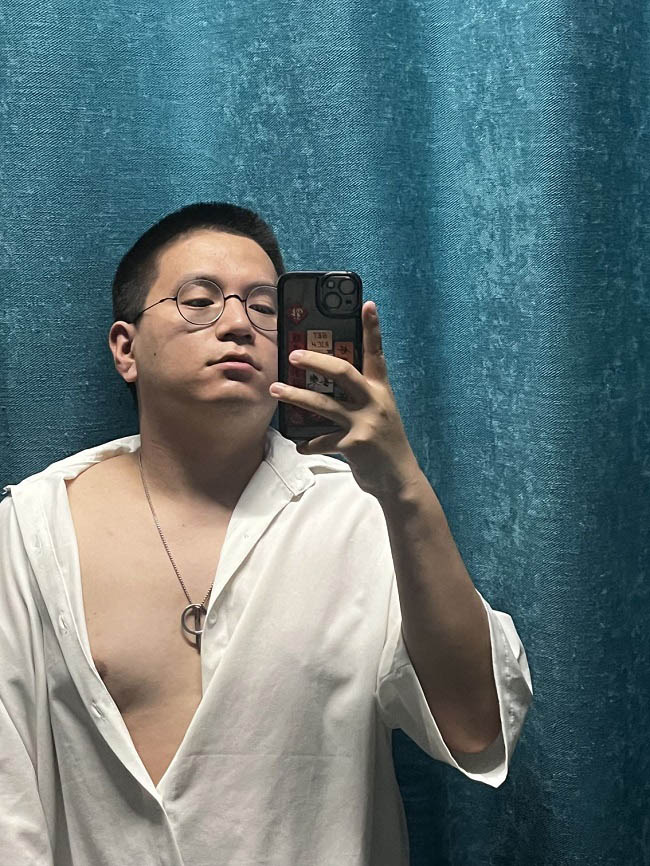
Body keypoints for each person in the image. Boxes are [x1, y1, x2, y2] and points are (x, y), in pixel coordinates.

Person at [0, 202, 533, 865]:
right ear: (126, 349)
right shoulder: (33, 527)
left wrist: (402, 486)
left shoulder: (360, 515)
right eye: (199, 301)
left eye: (264, 308)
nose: (237, 325)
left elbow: (478, 728)